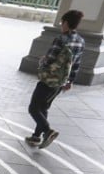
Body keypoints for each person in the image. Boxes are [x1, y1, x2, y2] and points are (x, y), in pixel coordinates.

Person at [26, 9, 85, 149]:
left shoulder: (61, 39)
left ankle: (48, 131)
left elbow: (50, 59)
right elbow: (76, 64)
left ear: (66, 22)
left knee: (33, 108)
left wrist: (42, 61)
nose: (61, 25)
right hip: (61, 81)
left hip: (49, 80)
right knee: (44, 107)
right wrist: (70, 81)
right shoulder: (81, 41)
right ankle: (36, 137)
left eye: (62, 22)